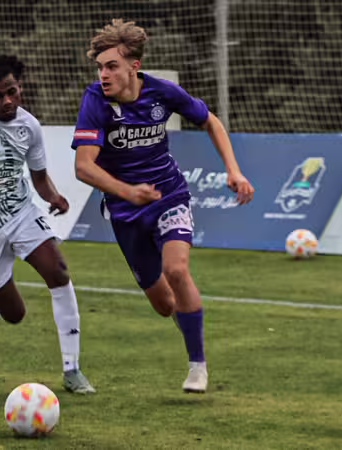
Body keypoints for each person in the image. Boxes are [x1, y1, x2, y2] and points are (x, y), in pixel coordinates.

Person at [71, 19, 254, 393]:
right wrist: (127, 192)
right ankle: (187, 319)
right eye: (100, 67)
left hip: (169, 195)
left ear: (133, 66)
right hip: (125, 210)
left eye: (112, 66)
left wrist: (233, 170)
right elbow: (83, 167)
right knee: (164, 305)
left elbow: (210, 121)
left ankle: (197, 367)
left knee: (177, 269)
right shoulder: (95, 101)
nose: (103, 75)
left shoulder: (162, 92)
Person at [0, 54, 95, 394]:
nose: (6, 101)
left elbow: (39, 177)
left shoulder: (29, 126)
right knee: (14, 314)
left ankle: (72, 370)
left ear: (20, 87)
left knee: (58, 272)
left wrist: (53, 196)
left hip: (19, 212)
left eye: (11, 92)